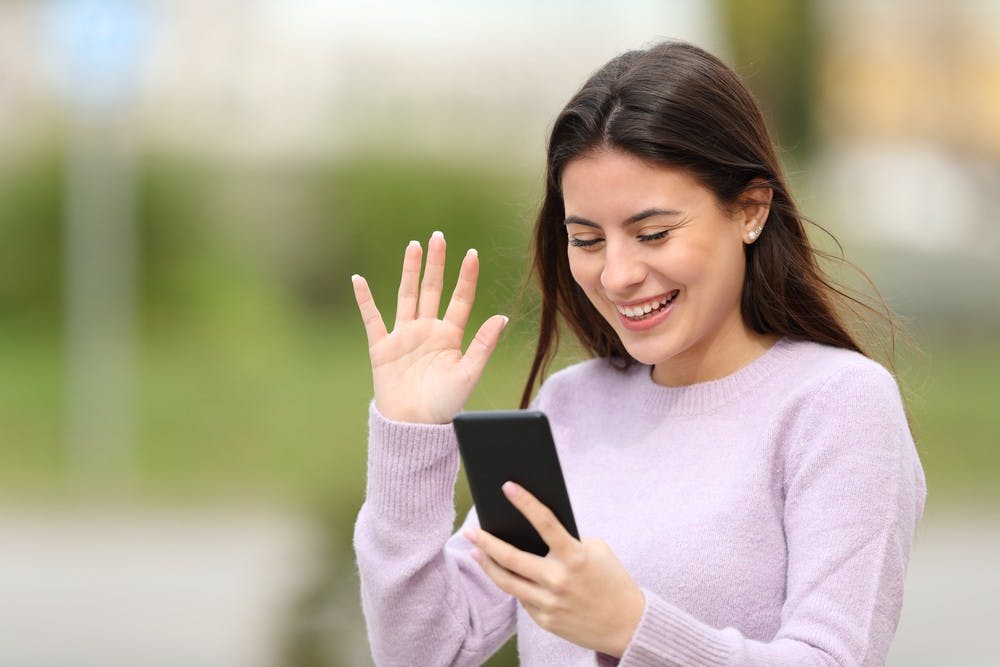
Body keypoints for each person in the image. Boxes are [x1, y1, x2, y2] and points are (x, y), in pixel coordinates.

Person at [350, 40, 926, 666]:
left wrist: (633, 628)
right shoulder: (570, 407)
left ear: (750, 210)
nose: (618, 274)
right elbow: (428, 652)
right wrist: (407, 441)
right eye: (587, 239)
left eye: (653, 233)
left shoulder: (838, 405)